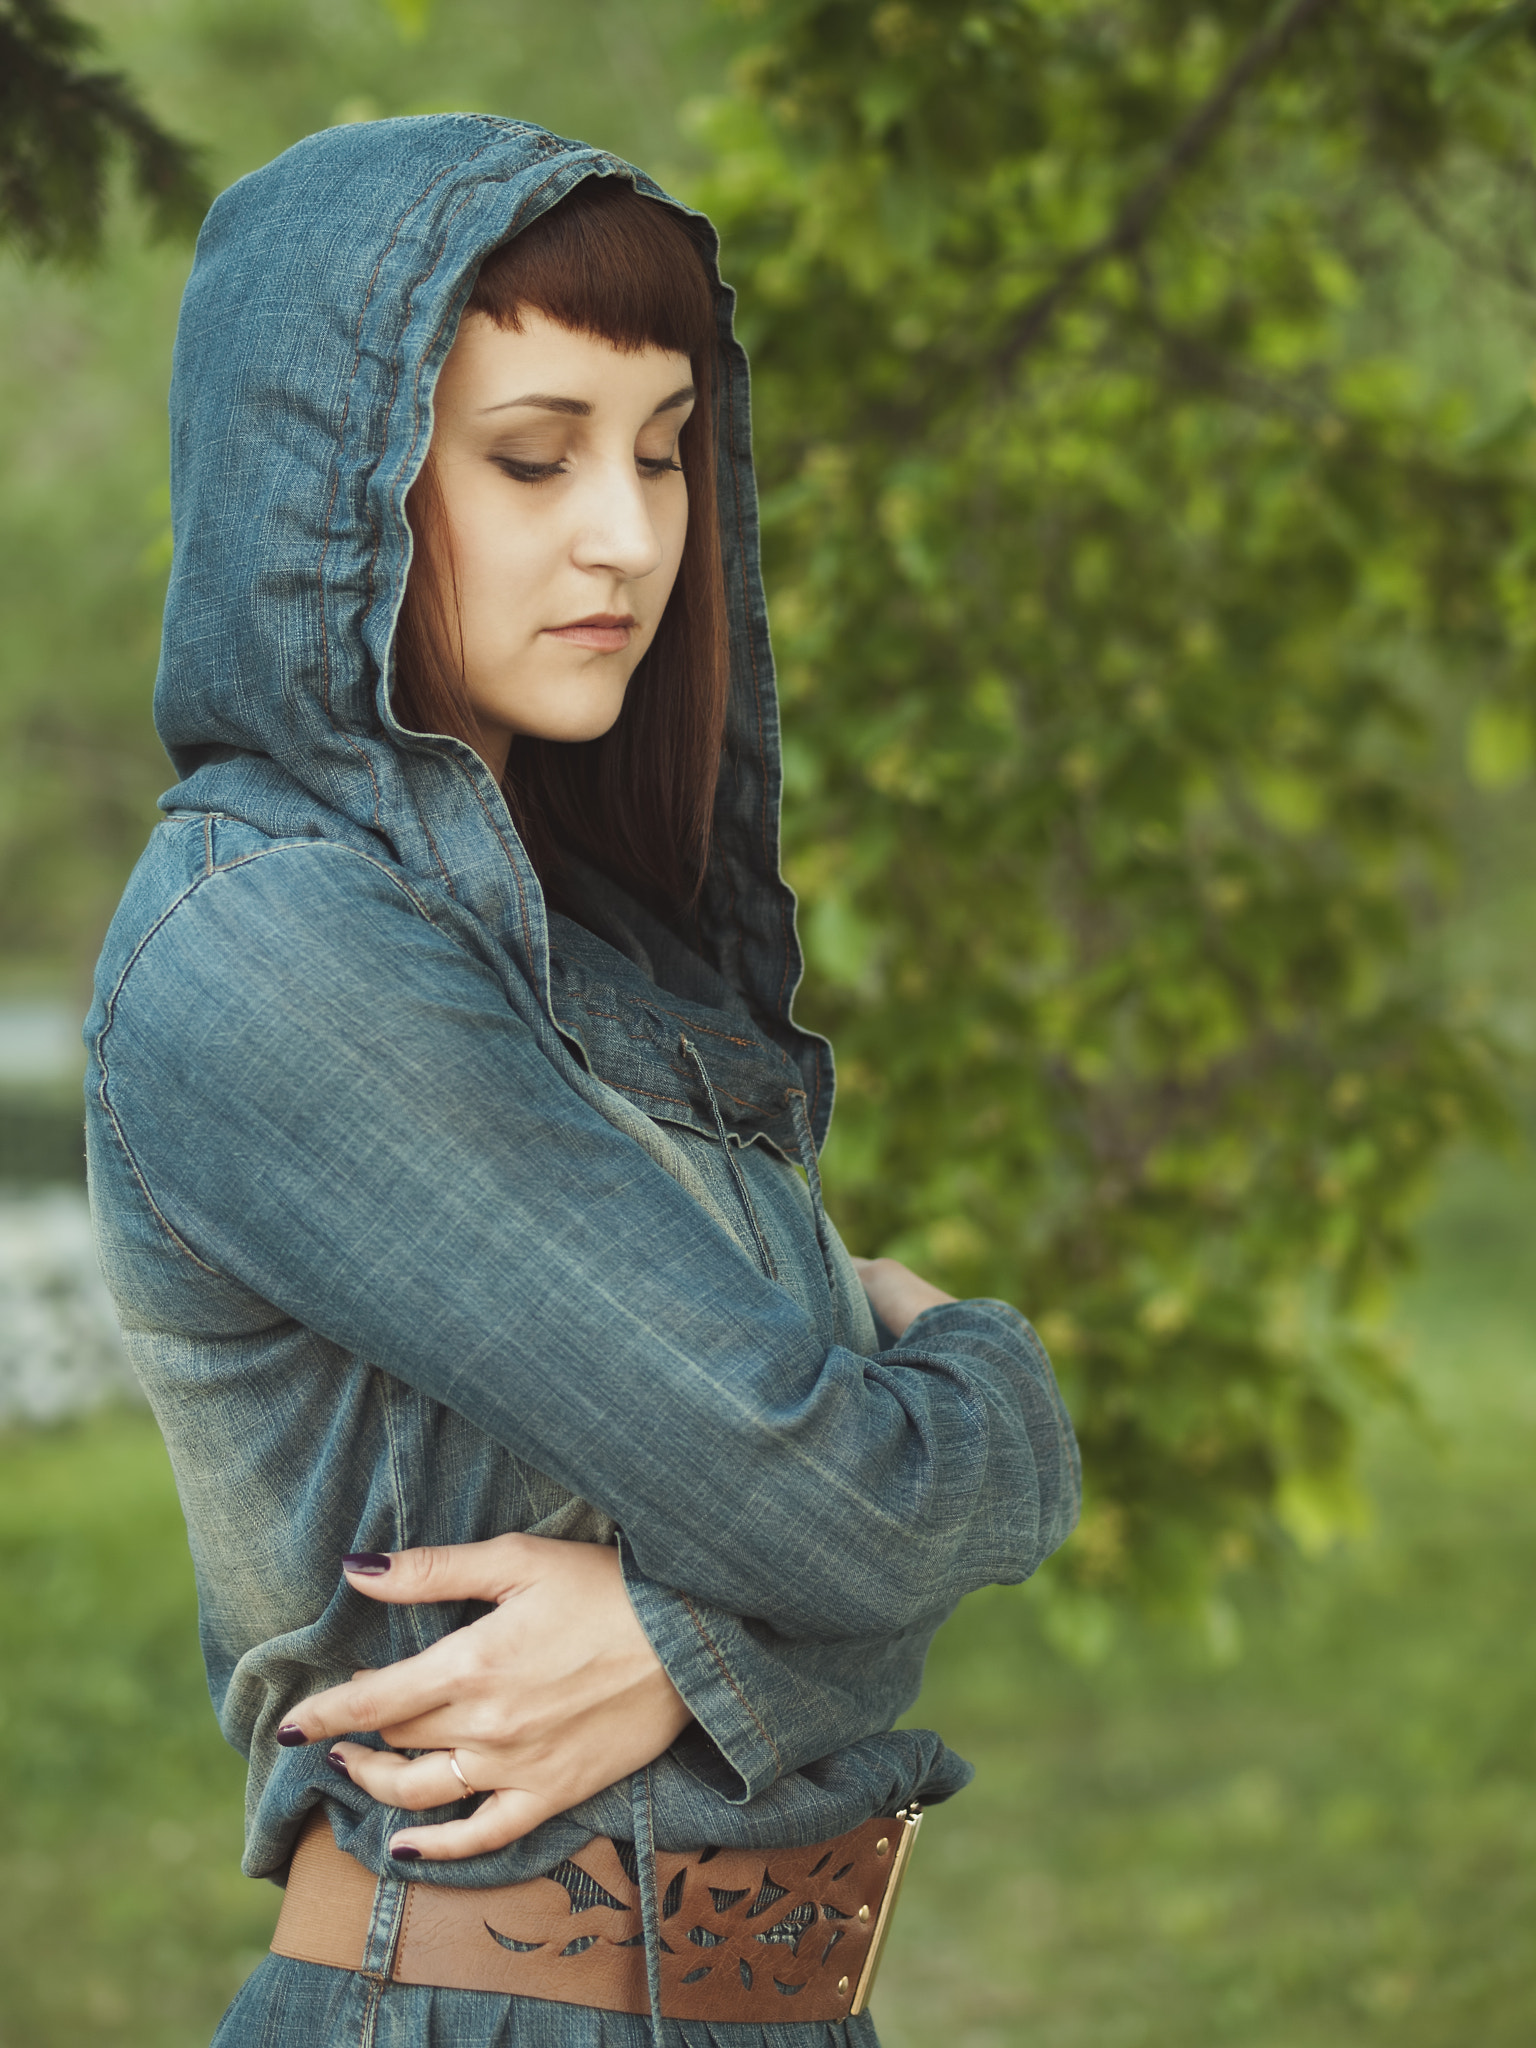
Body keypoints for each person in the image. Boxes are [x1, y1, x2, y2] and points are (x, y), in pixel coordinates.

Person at [84, 115, 1080, 2048]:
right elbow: (852, 1504)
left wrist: (683, 1645)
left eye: (663, 449)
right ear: (336, 492)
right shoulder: (272, 948)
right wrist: (996, 1393)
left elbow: (811, 1508)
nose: (624, 531)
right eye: (532, 457)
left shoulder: (589, 947)